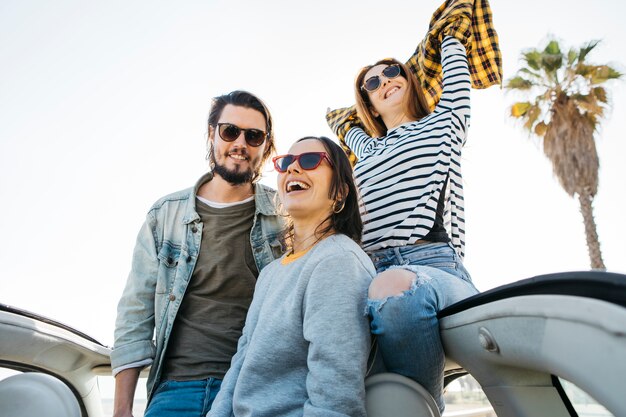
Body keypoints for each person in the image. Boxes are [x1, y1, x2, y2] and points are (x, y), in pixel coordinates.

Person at [325, 0, 502, 413]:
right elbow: (339, 121)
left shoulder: (444, 123)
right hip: (366, 273)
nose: (385, 80)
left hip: (435, 267)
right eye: (372, 83)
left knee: (394, 289)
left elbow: (453, 48)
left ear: (409, 80)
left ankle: (428, 407)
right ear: (367, 104)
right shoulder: (364, 150)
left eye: (393, 72)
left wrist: (448, 36)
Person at [111, 90, 285, 417]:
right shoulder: (165, 215)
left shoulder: (285, 214)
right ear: (211, 133)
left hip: (255, 388)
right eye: (230, 131)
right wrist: (122, 410)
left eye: (254, 136)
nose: (241, 143)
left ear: (265, 145)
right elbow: (135, 310)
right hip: (176, 389)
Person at [208, 136, 376, 417]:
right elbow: (241, 361)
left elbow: (335, 397)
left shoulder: (338, 262)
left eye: (310, 161)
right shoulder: (272, 272)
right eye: (286, 162)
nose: (293, 169)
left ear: (341, 192)